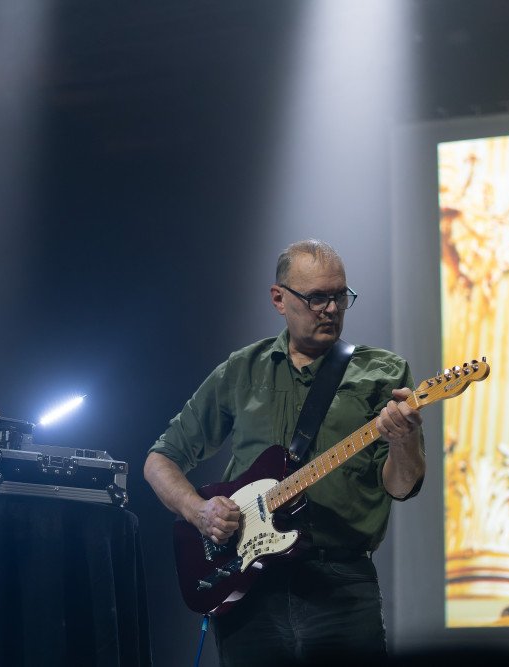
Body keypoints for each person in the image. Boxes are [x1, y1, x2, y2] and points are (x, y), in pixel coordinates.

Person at [144, 239, 425, 667]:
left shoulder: (383, 372)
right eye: (316, 297)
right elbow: (159, 460)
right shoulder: (242, 369)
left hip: (341, 584)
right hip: (249, 586)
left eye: (340, 296)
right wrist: (199, 512)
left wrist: (403, 439)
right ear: (280, 298)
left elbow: (403, 487)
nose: (331, 309)